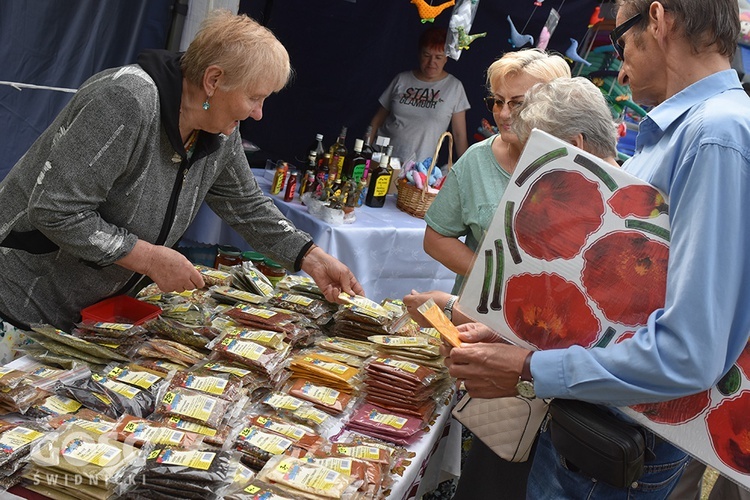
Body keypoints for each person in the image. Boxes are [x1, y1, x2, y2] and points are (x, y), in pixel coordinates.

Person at [440, 0, 750, 498]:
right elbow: (629, 312)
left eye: (622, 40)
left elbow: (688, 352)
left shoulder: (717, 136)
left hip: (614, 449)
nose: (621, 68)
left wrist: (528, 367)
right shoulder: (687, 133)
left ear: (658, 20)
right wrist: (521, 340)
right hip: (596, 435)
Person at [0, 11, 363, 354]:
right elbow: (56, 211)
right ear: (214, 80)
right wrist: (150, 259)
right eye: (254, 97)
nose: (258, 113)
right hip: (20, 305)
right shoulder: (126, 101)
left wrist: (311, 257)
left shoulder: (218, 131)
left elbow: (247, 205)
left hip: (91, 315)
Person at [423, 48, 570, 298]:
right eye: (497, 101)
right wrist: (492, 274)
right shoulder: (477, 160)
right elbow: (435, 238)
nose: (503, 114)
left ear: (552, 104)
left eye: (518, 103)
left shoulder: (574, 166)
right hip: (476, 315)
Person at [368, 26, 470, 164]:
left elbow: (459, 135)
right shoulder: (401, 79)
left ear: (446, 58)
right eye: (426, 55)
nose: (431, 62)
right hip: (381, 157)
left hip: (419, 167)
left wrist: (467, 167)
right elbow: (377, 120)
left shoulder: (454, 87)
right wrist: (365, 150)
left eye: (438, 57)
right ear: (419, 54)